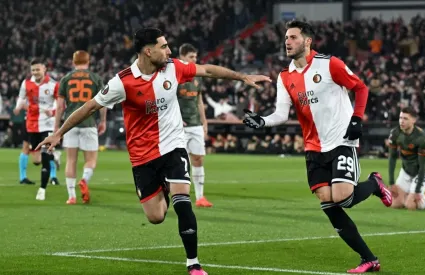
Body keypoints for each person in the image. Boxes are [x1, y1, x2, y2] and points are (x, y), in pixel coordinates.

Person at [36, 27, 271, 275]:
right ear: (148, 51)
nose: (169, 51)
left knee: (182, 201)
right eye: (164, 46)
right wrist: (59, 132)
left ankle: (194, 264)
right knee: (156, 216)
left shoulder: (173, 67)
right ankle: (165, 188)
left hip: (173, 146)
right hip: (142, 156)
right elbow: (89, 107)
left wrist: (241, 77)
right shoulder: (122, 81)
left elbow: (207, 70)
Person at [242, 20, 392, 273]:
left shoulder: (329, 64)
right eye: (286, 38)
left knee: (343, 198)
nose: (287, 42)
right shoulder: (284, 76)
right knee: (328, 202)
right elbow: (281, 114)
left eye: (293, 37)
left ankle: (374, 184)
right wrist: (262, 121)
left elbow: (361, 87)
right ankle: (368, 258)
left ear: (307, 41)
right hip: (314, 148)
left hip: (342, 140)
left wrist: (357, 119)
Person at [55, 50, 107, 204]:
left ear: (73, 61)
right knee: (91, 160)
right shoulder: (95, 78)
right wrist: (103, 121)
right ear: (88, 61)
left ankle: (71, 196)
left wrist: (57, 127)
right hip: (89, 123)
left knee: (71, 160)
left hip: (70, 124)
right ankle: (84, 180)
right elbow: (103, 103)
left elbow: (59, 106)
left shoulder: (65, 79)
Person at [14, 59, 60, 200]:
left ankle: (42, 189)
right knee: (36, 160)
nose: (35, 72)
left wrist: (52, 112)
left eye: (37, 69)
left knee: (45, 156)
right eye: (33, 70)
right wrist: (18, 106)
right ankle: (55, 157)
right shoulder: (26, 83)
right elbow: (21, 98)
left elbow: (59, 104)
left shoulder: (53, 85)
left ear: (44, 69)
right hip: (31, 123)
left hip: (47, 124)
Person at [177, 43, 212, 207]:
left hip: (195, 124)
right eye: (191, 57)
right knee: (177, 161)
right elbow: (168, 99)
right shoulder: (174, 75)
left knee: (198, 159)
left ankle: (200, 197)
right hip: (178, 126)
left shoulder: (197, 75)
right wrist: (176, 117)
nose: (194, 60)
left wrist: (204, 121)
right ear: (182, 57)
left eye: (196, 57)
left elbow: (199, 100)